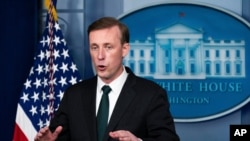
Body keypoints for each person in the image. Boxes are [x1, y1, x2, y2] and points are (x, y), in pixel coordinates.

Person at [34, 17, 179, 141]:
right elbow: (57, 136)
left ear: (124, 49)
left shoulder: (151, 94)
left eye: (108, 47)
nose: (100, 56)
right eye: (94, 47)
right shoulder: (74, 94)